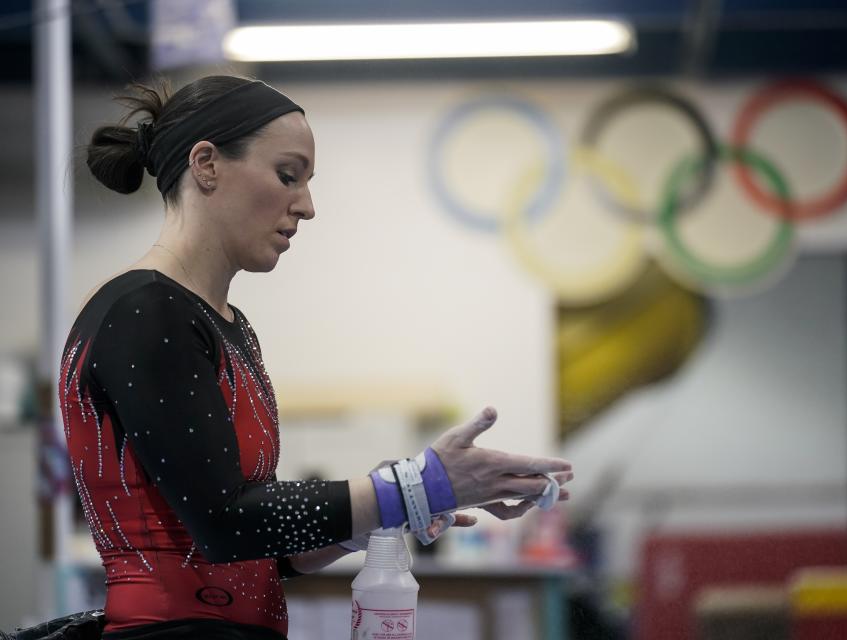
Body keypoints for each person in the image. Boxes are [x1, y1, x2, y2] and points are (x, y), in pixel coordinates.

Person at [59, 75, 573, 640]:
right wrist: (415, 485)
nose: (306, 206)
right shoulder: (144, 311)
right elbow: (226, 522)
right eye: (287, 175)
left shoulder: (228, 327)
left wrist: (390, 507)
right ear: (206, 165)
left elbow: (262, 550)